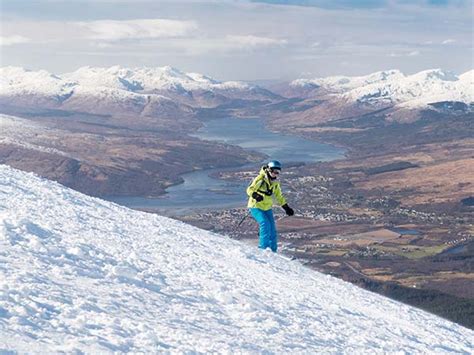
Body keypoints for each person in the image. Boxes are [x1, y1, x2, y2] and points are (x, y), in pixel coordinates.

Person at [246, 160, 294, 252]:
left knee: (272, 229)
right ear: (269, 170)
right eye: (275, 171)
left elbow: (279, 196)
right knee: (265, 224)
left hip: (267, 208)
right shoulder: (260, 179)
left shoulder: (275, 183)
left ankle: (273, 250)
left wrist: (286, 208)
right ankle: (263, 248)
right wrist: (256, 195)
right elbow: (249, 189)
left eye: (278, 172)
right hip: (256, 206)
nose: (276, 174)